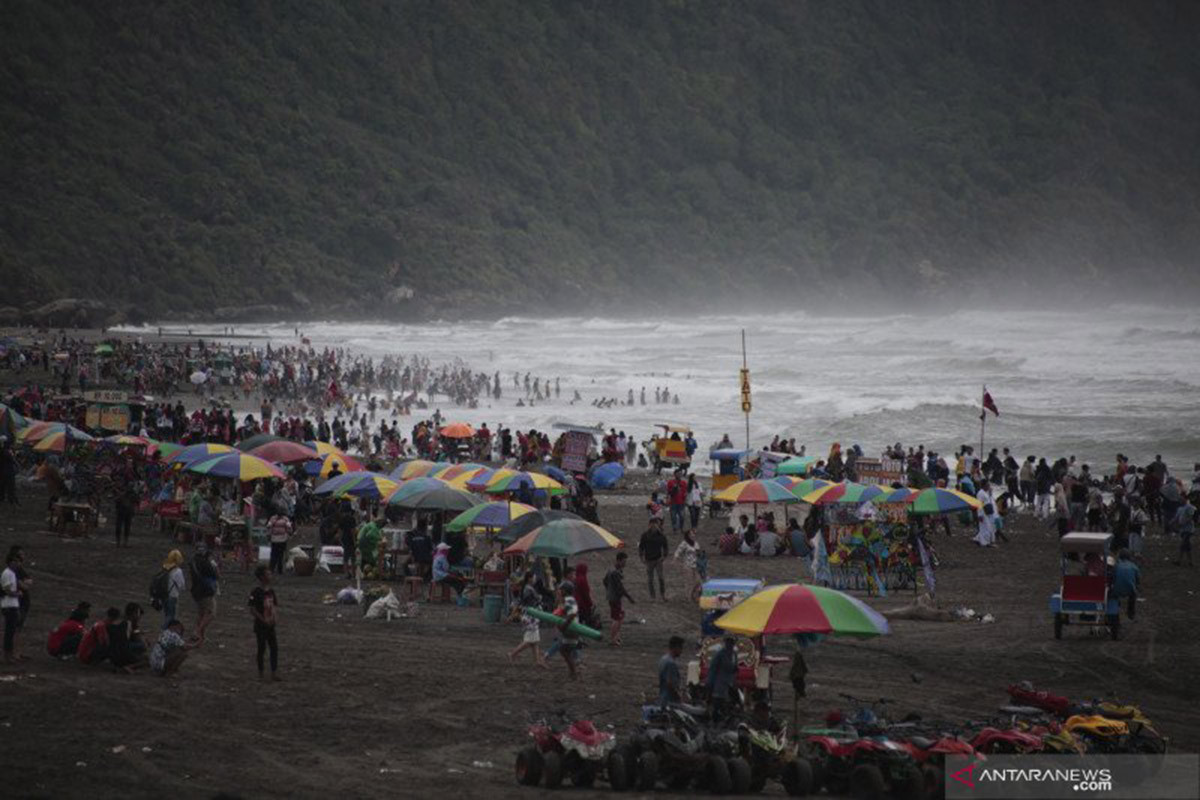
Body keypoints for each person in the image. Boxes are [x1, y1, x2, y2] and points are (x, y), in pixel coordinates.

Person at [508, 573, 547, 668]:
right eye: (533, 577)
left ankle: (537, 660)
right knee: (529, 641)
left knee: (535, 641)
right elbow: (535, 599)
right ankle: (513, 653)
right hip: (531, 616)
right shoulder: (528, 589)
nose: (534, 579)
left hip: (530, 615)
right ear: (529, 578)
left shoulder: (526, 588)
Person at [248, 565, 281, 680]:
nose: (270, 576)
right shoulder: (256, 592)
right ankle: (261, 672)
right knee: (261, 648)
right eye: (268, 574)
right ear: (262, 577)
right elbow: (252, 610)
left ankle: (273, 672)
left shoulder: (271, 591)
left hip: (270, 624)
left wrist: (275, 617)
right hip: (261, 625)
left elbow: (274, 606)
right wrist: (263, 619)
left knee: (274, 648)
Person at [189, 542, 219, 644]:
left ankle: (201, 637)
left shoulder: (193, 561)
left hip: (196, 590)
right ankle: (197, 632)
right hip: (206, 590)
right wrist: (213, 563)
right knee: (211, 613)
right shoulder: (205, 563)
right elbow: (215, 575)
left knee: (201, 614)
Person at [603, 552, 634, 646]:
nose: (625, 564)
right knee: (616, 618)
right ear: (619, 560)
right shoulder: (615, 572)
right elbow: (620, 587)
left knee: (619, 616)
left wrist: (609, 589)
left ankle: (616, 637)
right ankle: (613, 639)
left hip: (612, 597)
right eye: (624, 561)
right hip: (615, 598)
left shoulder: (611, 570)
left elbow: (604, 581)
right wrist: (629, 597)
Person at [554, 581, 582, 680]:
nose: (559, 591)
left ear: (565, 591)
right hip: (569, 629)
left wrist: (564, 626)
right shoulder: (565, 600)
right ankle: (573, 671)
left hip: (571, 628)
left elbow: (573, 613)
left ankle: (574, 672)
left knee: (564, 650)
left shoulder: (569, 599)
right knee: (565, 650)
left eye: (561, 590)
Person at [2, 546, 25, 663]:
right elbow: (6, 590)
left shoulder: (11, 573)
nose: (18, 564)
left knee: (11, 631)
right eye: (15, 562)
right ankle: (7, 655)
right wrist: (17, 594)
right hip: (9, 605)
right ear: (11, 562)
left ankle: (9, 655)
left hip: (12, 605)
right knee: (9, 631)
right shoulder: (7, 573)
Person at [707, 636, 739, 721]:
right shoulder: (720, 654)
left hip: (729, 683)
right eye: (728, 642)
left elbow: (735, 668)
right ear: (725, 642)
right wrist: (710, 684)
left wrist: (735, 680)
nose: (730, 644)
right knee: (717, 705)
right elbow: (712, 669)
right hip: (719, 683)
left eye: (731, 642)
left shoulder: (734, 654)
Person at [638, 517, 669, 601]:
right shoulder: (645, 535)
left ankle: (662, 595)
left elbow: (665, 547)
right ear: (650, 525)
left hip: (658, 559)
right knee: (650, 579)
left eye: (656, 524)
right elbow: (641, 547)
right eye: (653, 524)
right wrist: (641, 557)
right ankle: (653, 596)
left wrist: (664, 556)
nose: (654, 526)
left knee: (660, 578)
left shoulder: (661, 536)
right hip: (649, 560)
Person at [1110, 549, 1140, 620]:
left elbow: (1112, 578)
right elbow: (1137, 580)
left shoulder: (1116, 566)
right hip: (1130, 589)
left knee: (1112, 597)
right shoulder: (1134, 566)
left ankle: (1115, 610)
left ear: (1120, 557)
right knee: (1133, 596)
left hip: (1117, 590)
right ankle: (1131, 613)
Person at [673, 530, 701, 600]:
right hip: (687, 565)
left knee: (698, 581)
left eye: (694, 534)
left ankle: (694, 594)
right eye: (691, 534)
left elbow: (698, 553)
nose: (693, 535)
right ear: (688, 535)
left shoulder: (696, 543)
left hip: (696, 565)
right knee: (689, 581)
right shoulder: (684, 543)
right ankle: (688, 596)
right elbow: (678, 551)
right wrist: (675, 559)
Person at [162, 549, 187, 628]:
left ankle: (166, 632)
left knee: (166, 615)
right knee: (171, 616)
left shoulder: (165, 568)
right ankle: (164, 632)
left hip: (164, 595)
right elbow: (182, 586)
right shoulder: (178, 571)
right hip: (173, 595)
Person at [658, 635, 685, 707]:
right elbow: (670, 684)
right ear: (675, 648)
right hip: (670, 701)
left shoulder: (663, 659)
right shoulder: (671, 663)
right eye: (681, 648)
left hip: (662, 698)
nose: (681, 651)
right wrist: (679, 696)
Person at [974, 479, 997, 547]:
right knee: (985, 527)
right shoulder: (980, 493)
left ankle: (978, 539)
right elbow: (979, 504)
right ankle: (985, 543)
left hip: (988, 512)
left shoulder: (986, 492)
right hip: (983, 512)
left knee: (988, 527)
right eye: (988, 485)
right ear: (984, 485)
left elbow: (990, 501)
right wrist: (980, 514)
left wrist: (990, 494)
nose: (989, 486)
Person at [1173, 495, 1195, 567]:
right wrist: (1172, 522)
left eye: (1181, 499)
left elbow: (1191, 517)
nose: (1180, 500)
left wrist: (1183, 522)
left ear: (1185, 499)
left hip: (1188, 529)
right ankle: (1190, 562)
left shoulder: (1189, 507)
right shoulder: (1180, 508)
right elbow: (1176, 517)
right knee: (1186, 546)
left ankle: (1179, 560)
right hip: (1183, 529)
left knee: (1183, 545)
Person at [572, 563, 595, 628]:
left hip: (577, 602)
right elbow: (585, 593)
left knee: (579, 619)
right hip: (582, 603)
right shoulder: (583, 579)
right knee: (585, 618)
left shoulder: (576, 579)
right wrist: (590, 603)